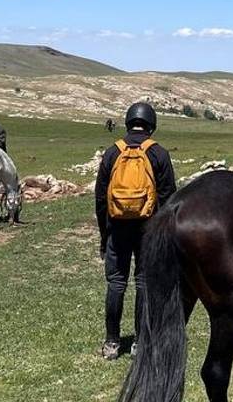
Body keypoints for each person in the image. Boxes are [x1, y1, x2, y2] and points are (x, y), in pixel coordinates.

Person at [94, 101, 176, 360]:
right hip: (148, 229)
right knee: (143, 283)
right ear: (151, 125)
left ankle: (111, 342)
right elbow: (168, 197)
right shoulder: (158, 153)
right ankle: (140, 342)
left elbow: (100, 197)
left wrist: (103, 231)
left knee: (116, 283)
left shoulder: (112, 152)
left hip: (116, 227)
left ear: (128, 122)